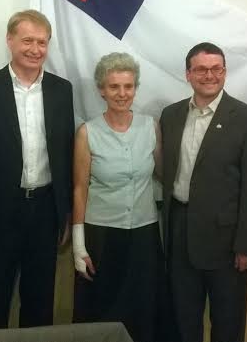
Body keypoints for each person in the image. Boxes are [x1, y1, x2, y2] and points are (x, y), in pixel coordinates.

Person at [0, 9, 75, 329]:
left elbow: (65, 154)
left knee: (40, 305)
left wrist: (65, 212)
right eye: (27, 41)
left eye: (42, 42)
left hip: (45, 212)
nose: (35, 49)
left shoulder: (62, 90)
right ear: (10, 40)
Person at [159, 42, 247, 342]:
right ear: (188, 74)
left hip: (227, 243)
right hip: (180, 233)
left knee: (227, 324)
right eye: (201, 69)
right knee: (184, 321)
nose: (210, 75)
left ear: (225, 72)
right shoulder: (171, 115)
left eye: (216, 69)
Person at [70, 52, 164, 342]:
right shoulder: (87, 132)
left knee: (143, 310)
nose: (122, 94)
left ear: (135, 88)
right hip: (101, 235)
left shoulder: (151, 127)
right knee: (102, 313)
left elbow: (163, 175)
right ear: (101, 89)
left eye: (128, 86)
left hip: (144, 234)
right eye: (114, 87)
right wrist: (78, 245)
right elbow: (80, 188)